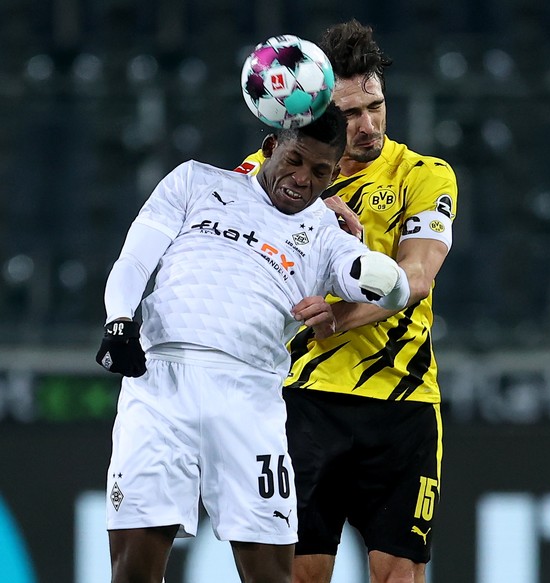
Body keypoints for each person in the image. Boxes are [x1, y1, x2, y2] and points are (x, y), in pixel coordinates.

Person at [95, 103, 412, 583]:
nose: (304, 180)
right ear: (270, 147)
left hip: (249, 400)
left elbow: (393, 289)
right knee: (132, 573)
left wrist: (373, 265)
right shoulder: (195, 182)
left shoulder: (328, 233)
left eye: (321, 172)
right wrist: (118, 321)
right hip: (160, 386)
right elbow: (134, 261)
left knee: (270, 577)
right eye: (295, 161)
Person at [236, 20, 458, 583]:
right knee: (302, 574)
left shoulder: (424, 175)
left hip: (402, 402)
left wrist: (340, 315)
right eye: (350, 114)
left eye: (376, 106)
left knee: (398, 578)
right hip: (305, 400)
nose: (367, 125)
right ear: (313, 112)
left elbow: (418, 275)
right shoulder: (278, 174)